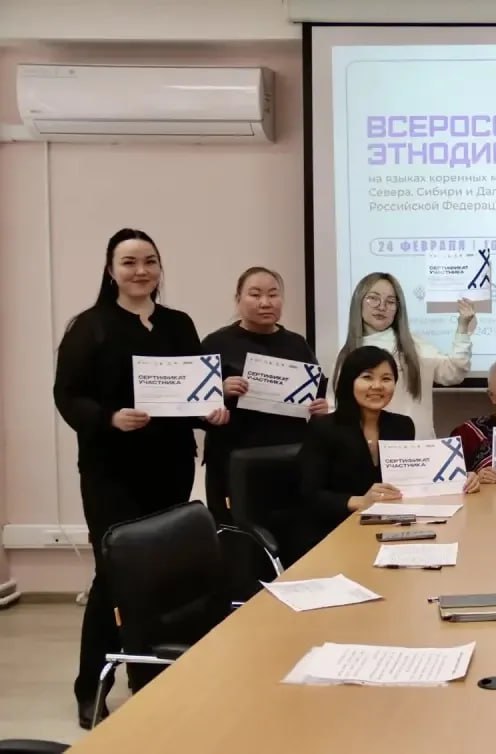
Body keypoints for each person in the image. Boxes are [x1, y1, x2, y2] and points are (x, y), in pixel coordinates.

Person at [53, 228, 229, 729]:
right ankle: (92, 685)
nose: (141, 271)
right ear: (111, 270)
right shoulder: (89, 327)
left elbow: (193, 393)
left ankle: (149, 676)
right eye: (129, 262)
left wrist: (211, 414)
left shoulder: (178, 324)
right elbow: (67, 395)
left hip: (170, 466)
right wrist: (109, 418)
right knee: (113, 574)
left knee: (164, 574)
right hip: (112, 471)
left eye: (149, 261)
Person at [298, 345, 480, 540]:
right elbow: (308, 495)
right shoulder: (323, 428)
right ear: (349, 381)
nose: (377, 386)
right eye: (367, 377)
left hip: (388, 527)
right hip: (334, 532)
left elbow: (416, 476)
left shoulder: (402, 425)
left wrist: (460, 478)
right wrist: (360, 501)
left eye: (386, 379)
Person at [200, 267, 329, 535]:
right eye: (255, 294)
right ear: (238, 299)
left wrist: (319, 408)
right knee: (238, 538)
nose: (265, 302)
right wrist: (221, 390)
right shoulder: (216, 343)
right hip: (233, 463)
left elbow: (316, 395)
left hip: (288, 461)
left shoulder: (297, 344)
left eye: (273, 294)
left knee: (291, 533)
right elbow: (196, 402)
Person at [336, 272, 474, 439]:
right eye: (373, 298)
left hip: (416, 446)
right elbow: (334, 405)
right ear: (358, 301)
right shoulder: (347, 353)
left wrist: (463, 328)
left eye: (390, 301)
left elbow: (453, 372)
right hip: (365, 447)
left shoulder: (415, 346)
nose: (381, 306)